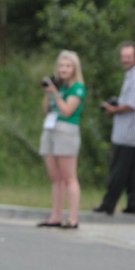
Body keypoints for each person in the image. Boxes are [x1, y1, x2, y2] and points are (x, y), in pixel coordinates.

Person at [94, 42, 135, 216]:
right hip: (129, 132)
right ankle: (133, 205)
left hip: (128, 132)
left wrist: (112, 109)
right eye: (123, 56)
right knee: (132, 171)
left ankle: (108, 204)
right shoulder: (133, 75)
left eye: (128, 56)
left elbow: (131, 104)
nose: (125, 60)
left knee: (118, 169)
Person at [37, 50, 85, 229]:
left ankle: (72, 218)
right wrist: (48, 92)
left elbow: (66, 110)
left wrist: (55, 93)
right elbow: (46, 110)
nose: (63, 69)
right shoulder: (60, 86)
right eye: (61, 65)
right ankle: (55, 216)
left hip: (66, 131)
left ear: (74, 69)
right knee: (55, 177)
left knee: (69, 177)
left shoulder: (77, 88)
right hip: (50, 129)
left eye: (68, 66)